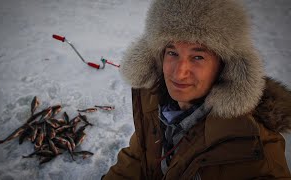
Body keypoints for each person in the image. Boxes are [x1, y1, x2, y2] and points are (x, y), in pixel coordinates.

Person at [103, 0, 291, 179]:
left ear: (225, 67)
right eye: (172, 53)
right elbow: (138, 158)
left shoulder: (253, 151)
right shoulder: (157, 103)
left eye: (198, 57)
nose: (179, 73)